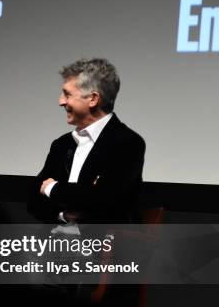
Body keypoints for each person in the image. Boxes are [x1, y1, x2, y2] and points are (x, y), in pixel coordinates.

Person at [28, 58, 145, 224]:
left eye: (67, 94)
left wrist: (52, 187)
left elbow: (105, 200)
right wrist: (64, 215)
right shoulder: (62, 144)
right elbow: (33, 200)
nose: (61, 101)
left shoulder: (128, 142)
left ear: (93, 99)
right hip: (55, 240)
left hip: (104, 244)